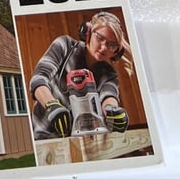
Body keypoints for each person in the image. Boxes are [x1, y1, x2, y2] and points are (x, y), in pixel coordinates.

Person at [29, 11, 132, 140]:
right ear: (88, 33)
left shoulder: (109, 73)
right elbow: (38, 78)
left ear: (117, 51)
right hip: (42, 134)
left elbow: (109, 96)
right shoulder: (65, 46)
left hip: (80, 139)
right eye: (100, 38)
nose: (104, 47)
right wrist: (51, 105)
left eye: (112, 45)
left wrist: (113, 111)